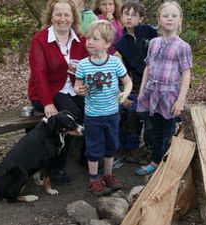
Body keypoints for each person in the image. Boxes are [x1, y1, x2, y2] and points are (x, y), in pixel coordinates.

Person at [28, 0, 89, 184]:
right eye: (58, 14)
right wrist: (47, 102)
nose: (62, 19)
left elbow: (87, 66)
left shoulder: (80, 39)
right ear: (50, 16)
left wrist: (86, 86)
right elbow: (39, 75)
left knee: (92, 108)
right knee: (71, 115)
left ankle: (87, 156)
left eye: (66, 14)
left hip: (73, 88)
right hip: (45, 91)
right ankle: (56, 167)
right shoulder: (40, 40)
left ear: (73, 17)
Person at [74, 20, 133, 196]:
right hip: (92, 115)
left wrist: (125, 93)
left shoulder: (114, 62)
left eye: (95, 39)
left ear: (107, 44)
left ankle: (108, 174)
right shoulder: (83, 65)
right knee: (94, 147)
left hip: (112, 114)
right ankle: (93, 178)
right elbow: (77, 86)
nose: (90, 42)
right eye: (88, 38)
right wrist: (79, 90)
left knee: (111, 145)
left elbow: (127, 81)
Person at [135, 0, 193, 175]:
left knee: (168, 132)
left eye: (174, 16)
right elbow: (148, 66)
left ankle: (164, 165)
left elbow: (186, 73)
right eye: (165, 15)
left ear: (180, 20)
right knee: (154, 130)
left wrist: (180, 100)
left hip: (170, 96)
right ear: (159, 19)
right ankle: (156, 160)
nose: (170, 19)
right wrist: (142, 90)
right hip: (152, 93)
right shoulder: (154, 42)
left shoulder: (183, 46)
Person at [115, 0, 157, 151]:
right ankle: (130, 147)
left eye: (133, 15)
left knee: (148, 112)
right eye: (126, 14)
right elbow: (123, 72)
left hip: (156, 81)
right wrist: (124, 93)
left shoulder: (149, 32)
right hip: (137, 85)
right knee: (129, 110)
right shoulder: (120, 44)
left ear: (140, 19)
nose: (129, 18)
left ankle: (151, 146)